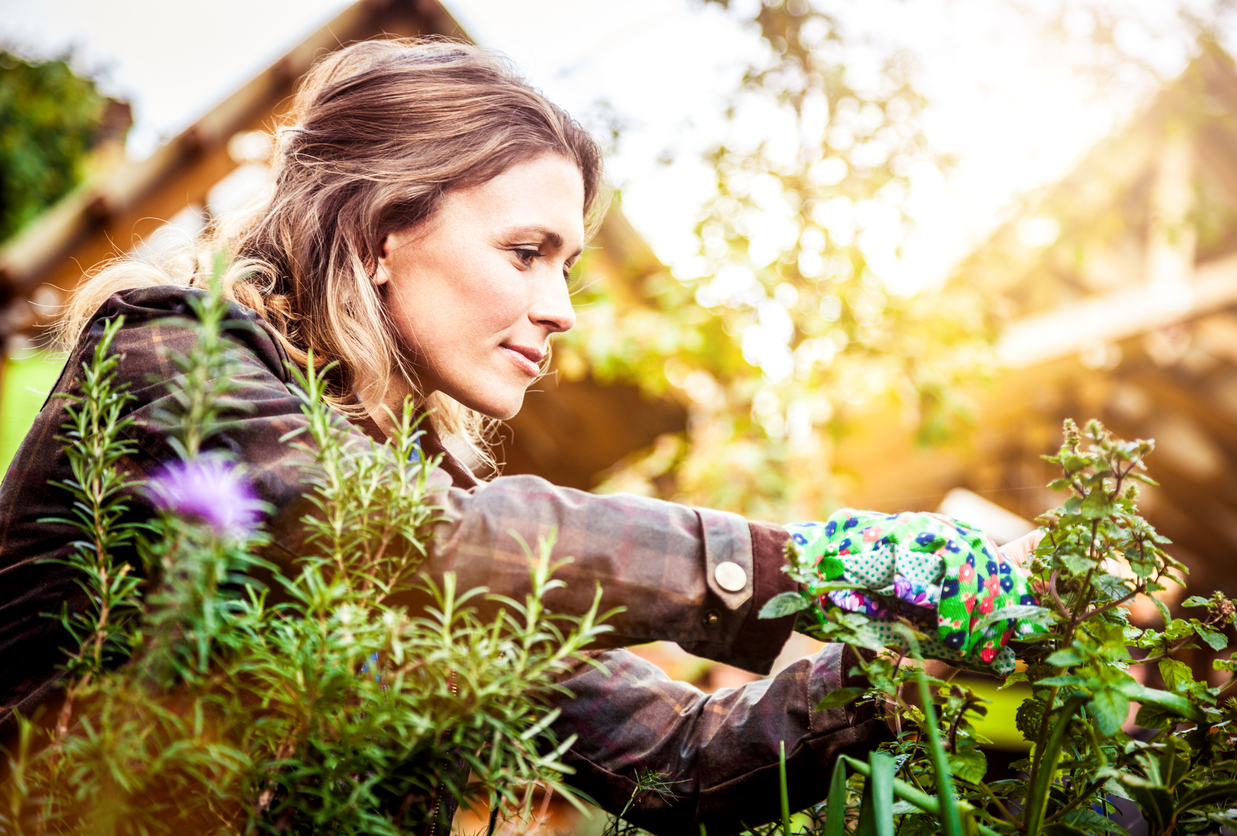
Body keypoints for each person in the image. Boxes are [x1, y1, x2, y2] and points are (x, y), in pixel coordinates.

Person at [0, 38, 1037, 835]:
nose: (563, 309)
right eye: (526, 251)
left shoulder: (419, 499)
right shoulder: (168, 364)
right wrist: (808, 565)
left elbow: (679, 751)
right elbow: (415, 537)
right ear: (377, 235)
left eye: (569, 266)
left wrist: (910, 667)